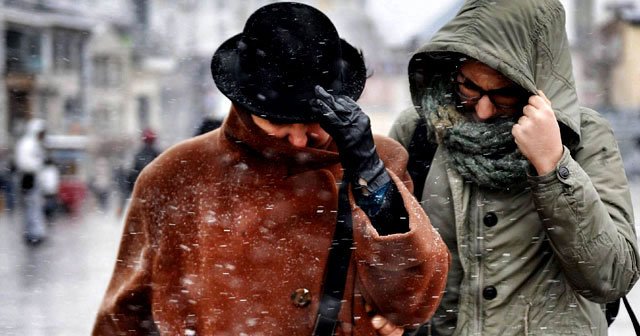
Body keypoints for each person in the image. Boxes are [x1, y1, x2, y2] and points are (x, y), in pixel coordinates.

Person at [92, 3, 450, 335]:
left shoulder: (379, 160)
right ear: (245, 102)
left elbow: (412, 304)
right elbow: (125, 316)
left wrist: (370, 176)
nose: (297, 139)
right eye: (279, 120)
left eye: (313, 120)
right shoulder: (176, 173)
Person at [385, 0, 640, 335]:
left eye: (504, 94)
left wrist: (553, 165)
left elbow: (611, 276)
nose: (485, 110)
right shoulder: (421, 130)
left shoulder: (584, 137)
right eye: (469, 87)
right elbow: (388, 252)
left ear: (539, 85)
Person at [14, 118, 48, 245]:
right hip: (29, 179)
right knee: (32, 207)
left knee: (35, 207)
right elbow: (25, 163)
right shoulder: (27, 144)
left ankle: (35, 233)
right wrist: (37, 166)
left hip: (33, 180)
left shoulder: (34, 144)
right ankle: (33, 234)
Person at [116, 128, 161, 216]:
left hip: (143, 194)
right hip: (155, 194)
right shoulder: (159, 154)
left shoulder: (139, 155)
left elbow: (132, 179)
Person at [39, 156, 60, 222]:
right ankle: (51, 214)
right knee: (51, 202)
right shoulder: (54, 170)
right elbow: (56, 180)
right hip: (52, 189)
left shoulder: (44, 170)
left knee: (46, 202)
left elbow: (42, 180)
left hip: (46, 190)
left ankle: (47, 214)